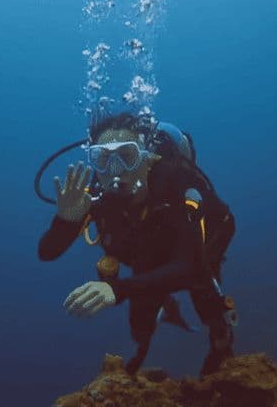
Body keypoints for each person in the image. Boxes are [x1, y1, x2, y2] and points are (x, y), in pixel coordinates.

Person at [38, 112, 237, 375]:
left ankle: (221, 345)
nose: (116, 170)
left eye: (127, 156)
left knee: (206, 297)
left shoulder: (177, 184)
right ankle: (149, 340)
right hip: (149, 253)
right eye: (104, 158)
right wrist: (65, 220)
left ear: (148, 157)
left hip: (199, 247)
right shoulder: (94, 197)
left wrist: (118, 289)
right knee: (139, 324)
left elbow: (191, 267)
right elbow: (47, 252)